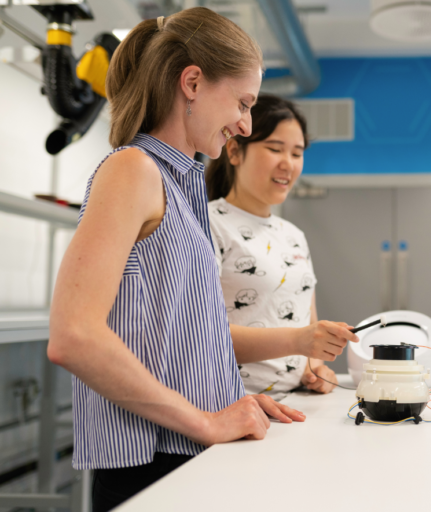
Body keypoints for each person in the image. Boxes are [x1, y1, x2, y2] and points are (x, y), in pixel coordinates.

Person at [46, 8, 357, 511]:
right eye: (242, 102)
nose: (245, 122)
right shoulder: (133, 169)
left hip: (184, 449)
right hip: (150, 462)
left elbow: (180, 335)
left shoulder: (181, 184)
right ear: (192, 82)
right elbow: (74, 336)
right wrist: (206, 420)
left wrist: (224, 397)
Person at [205, 94, 339, 400]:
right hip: (235, 406)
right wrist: (298, 341)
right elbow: (202, 333)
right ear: (235, 151)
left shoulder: (294, 235)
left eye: (297, 153)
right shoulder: (209, 224)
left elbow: (308, 323)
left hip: (294, 404)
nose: (287, 164)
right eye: (275, 149)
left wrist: (316, 368)